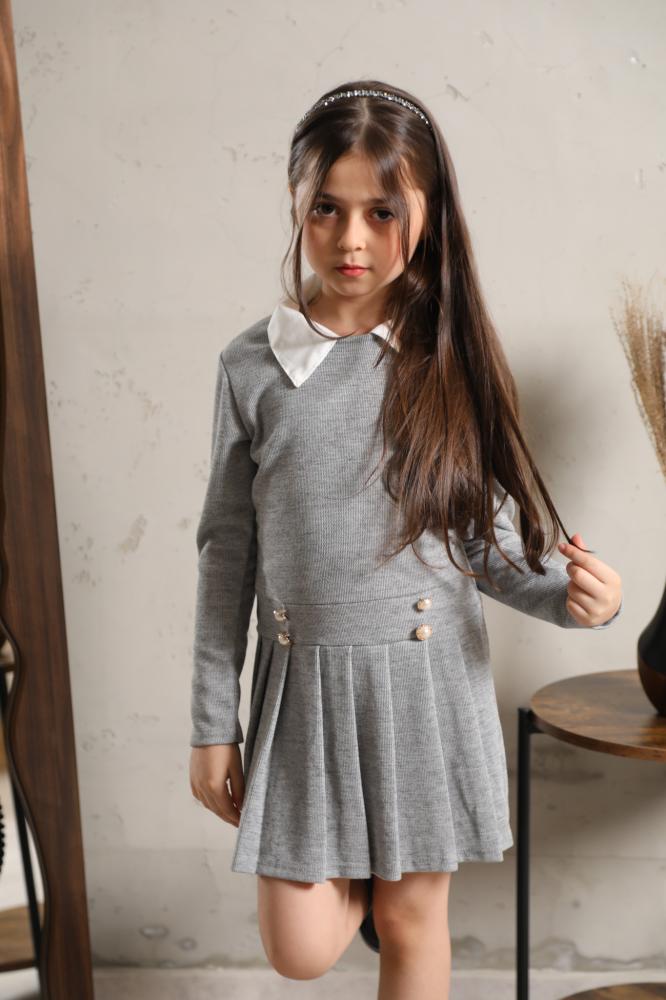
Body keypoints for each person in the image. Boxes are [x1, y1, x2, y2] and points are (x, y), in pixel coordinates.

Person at [188, 79, 623, 998]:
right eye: (327, 209)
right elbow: (226, 553)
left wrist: (574, 598)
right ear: (296, 205)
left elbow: (483, 542)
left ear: (427, 214)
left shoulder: (448, 361)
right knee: (300, 949)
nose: (352, 238)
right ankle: (363, 873)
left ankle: (394, 905)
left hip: (426, 680)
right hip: (303, 691)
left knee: (412, 919)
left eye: (382, 212)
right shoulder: (250, 367)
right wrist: (210, 726)